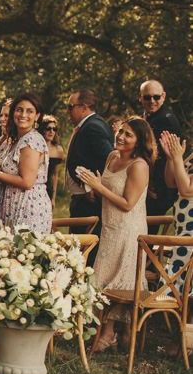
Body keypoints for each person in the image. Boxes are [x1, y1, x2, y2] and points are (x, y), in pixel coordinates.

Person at [77, 117, 156, 351]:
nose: (121, 136)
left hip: (128, 230)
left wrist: (99, 186)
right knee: (103, 279)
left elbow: (128, 203)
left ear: (139, 141)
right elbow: (108, 188)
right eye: (120, 131)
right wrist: (93, 187)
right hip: (109, 227)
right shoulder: (112, 156)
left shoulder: (139, 165)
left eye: (128, 134)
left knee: (120, 280)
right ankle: (110, 332)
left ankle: (111, 332)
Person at [0, 93, 51, 234]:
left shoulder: (32, 140)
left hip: (28, 207)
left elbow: (27, 182)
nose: (23, 115)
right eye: (19, 110)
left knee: (23, 248)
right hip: (10, 205)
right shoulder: (14, 139)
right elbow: (1, 170)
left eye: (29, 111)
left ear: (37, 116)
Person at [65, 89, 115, 237]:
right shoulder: (90, 124)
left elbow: (109, 159)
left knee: (83, 244)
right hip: (83, 197)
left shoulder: (93, 127)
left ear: (84, 107)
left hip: (88, 200)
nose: (68, 111)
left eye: (70, 107)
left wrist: (91, 187)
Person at [140, 80, 182, 225]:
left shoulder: (165, 121)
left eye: (156, 97)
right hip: (149, 185)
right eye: (147, 97)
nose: (152, 101)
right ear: (140, 98)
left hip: (159, 188)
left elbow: (162, 158)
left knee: (149, 231)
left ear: (163, 96)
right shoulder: (149, 116)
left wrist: (150, 185)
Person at [160, 131, 193, 301]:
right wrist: (171, 158)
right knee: (176, 286)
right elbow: (172, 182)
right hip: (183, 232)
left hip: (190, 234)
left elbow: (187, 190)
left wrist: (178, 157)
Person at [39, 114, 65, 206]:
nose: (51, 131)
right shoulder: (35, 148)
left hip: (48, 190)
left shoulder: (58, 150)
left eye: (54, 129)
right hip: (34, 187)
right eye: (48, 128)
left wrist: (53, 198)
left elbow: (55, 175)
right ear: (42, 130)